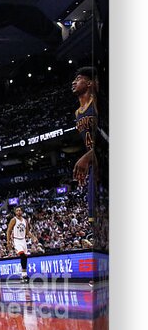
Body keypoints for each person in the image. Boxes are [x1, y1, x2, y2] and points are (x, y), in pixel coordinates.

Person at [72, 66, 98, 223]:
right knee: (93, 218)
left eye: (78, 79)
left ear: (89, 83)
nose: (74, 82)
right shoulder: (77, 113)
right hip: (96, 163)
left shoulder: (97, 102)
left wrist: (87, 157)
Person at [7, 207, 35, 283]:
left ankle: (24, 275)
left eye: (20, 210)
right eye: (17, 210)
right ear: (15, 212)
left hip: (23, 240)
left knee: (25, 257)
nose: (18, 211)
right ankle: (24, 275)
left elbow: (27, 232)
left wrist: (33, 237)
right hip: (16, 240)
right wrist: (8, 242)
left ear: (22, 212)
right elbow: (8, 231)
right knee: (22, 255)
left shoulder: (25, 221)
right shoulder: (13, 220)